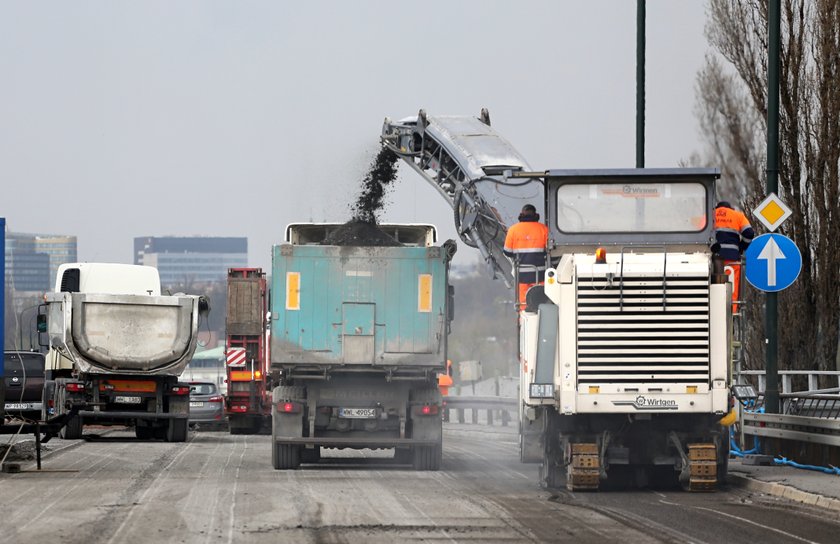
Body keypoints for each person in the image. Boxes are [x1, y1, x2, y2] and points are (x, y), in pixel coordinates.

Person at [712, 201, 754, 313]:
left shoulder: (710, 214)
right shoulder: (737, 215)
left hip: (713, 258)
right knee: (732, 287)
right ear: (730, 208)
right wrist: (741, 247)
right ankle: (732, 313)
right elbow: (749, 233)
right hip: (732, 258)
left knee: (713, 285)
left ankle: (713, 313)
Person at [503, 204, 549, 306]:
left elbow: (507, 252)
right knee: (541, 302)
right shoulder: (544, 229)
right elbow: (551, 251)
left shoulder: (513, 230)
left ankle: (523, 320)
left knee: (523, 304)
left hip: (522, 275)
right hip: (540, 274)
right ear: (536, 215)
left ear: (521, 214)